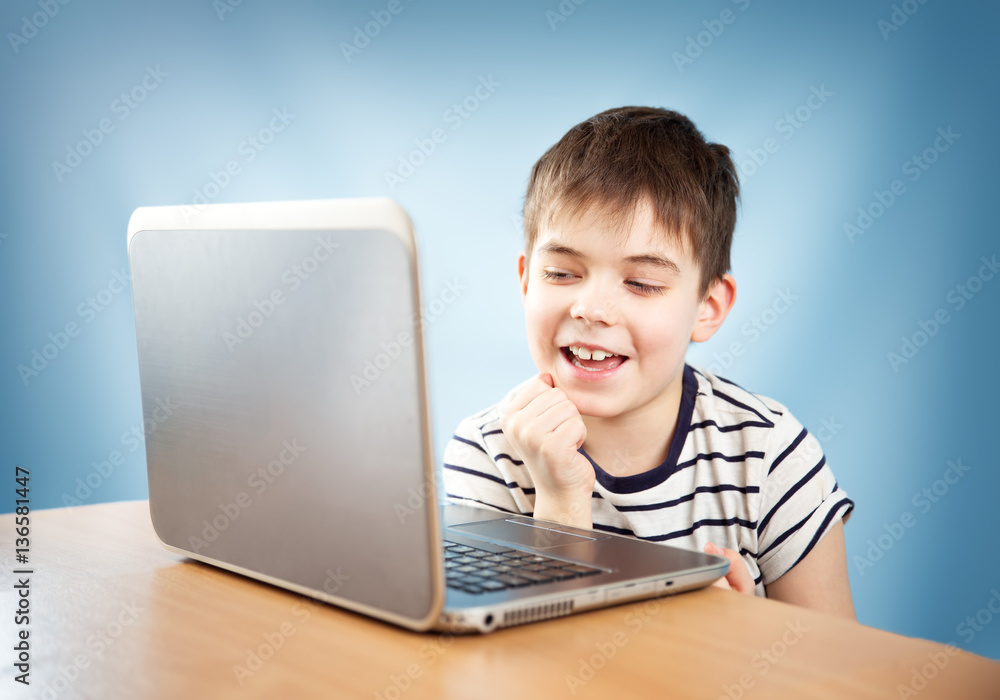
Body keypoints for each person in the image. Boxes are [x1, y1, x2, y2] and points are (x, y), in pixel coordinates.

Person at [442, 106, 856, 618]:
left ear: (707, 309)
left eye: (642, 283)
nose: (591, 309)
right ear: (526, 281)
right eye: (562, 273)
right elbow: (512, 674)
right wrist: (559, 504)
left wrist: (745, 640)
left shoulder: (769, 452)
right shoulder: (488, 455)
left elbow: (837, 664)